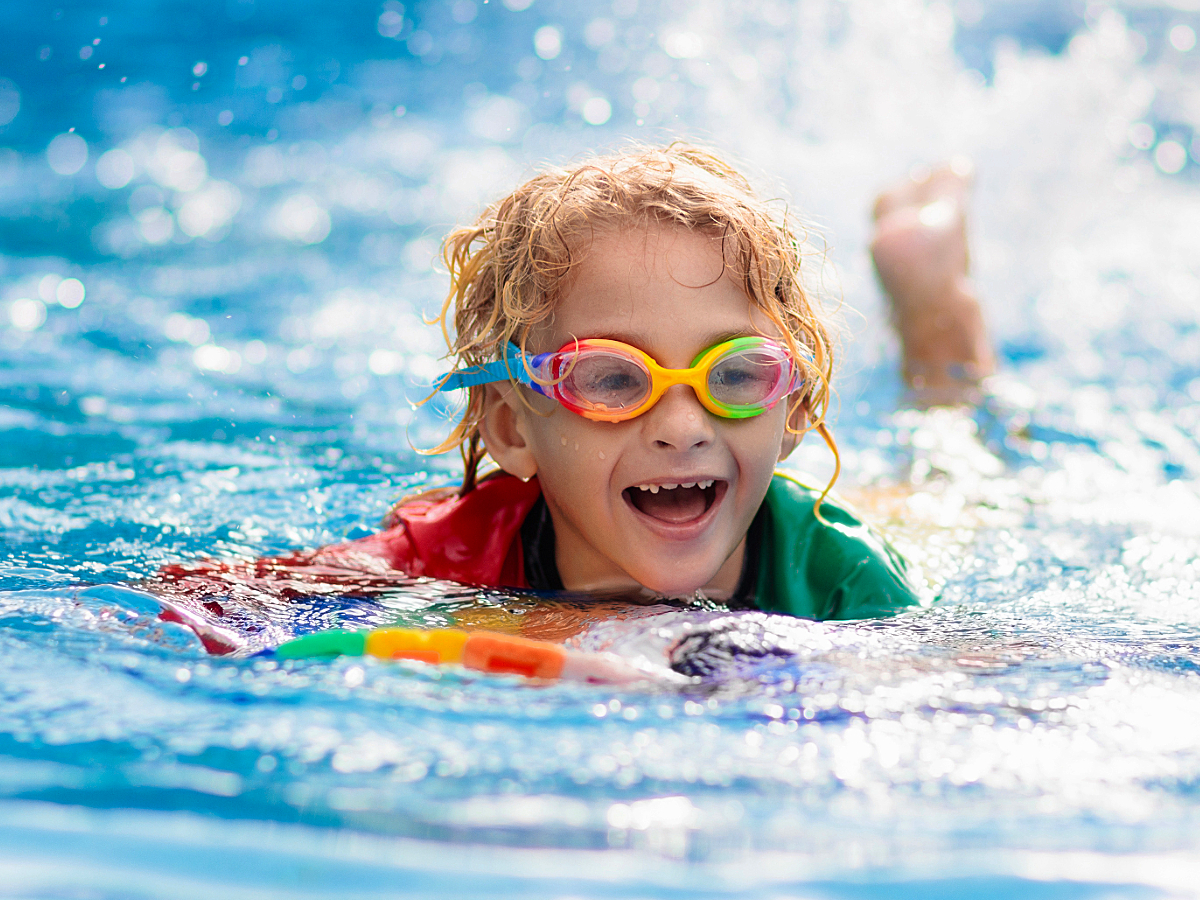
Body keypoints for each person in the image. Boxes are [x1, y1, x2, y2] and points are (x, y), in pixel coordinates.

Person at [155, 145, 994, 644]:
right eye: (612, 379)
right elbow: (184, 603)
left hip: (893, 526)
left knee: (951, 469)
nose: (681, 425)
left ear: (795, 411)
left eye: (736, 375)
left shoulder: (851, 581)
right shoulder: (452, 557)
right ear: (514, 426)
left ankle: (932, 301)